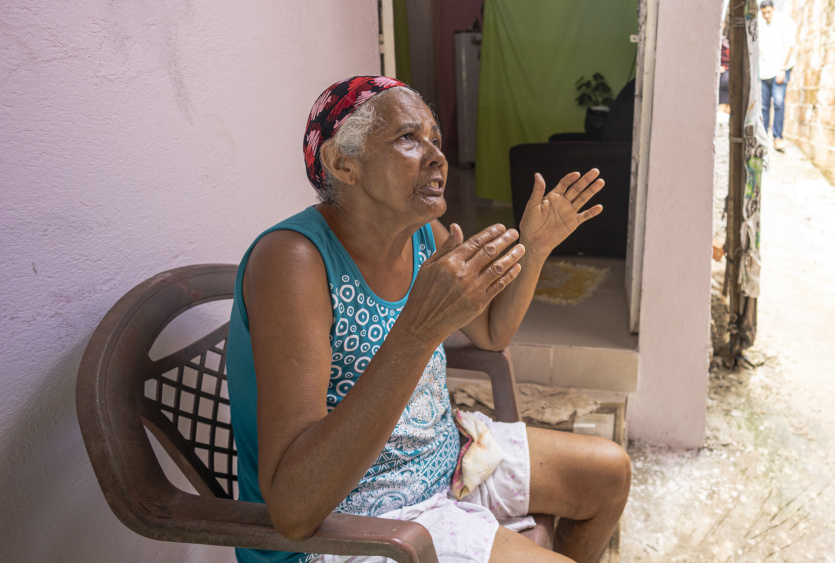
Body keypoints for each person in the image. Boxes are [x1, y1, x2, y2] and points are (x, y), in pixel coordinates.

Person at [226, 76, 631, 563]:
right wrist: (419, 330)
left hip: (440, 460)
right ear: (342, 163)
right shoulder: (294, 261)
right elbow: (293, 510)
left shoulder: (421, 234)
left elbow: (492, 332)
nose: (437, 155)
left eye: (434, 139)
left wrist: (536, 247)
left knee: (610, 472)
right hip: (353, 522)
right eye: (407, 138)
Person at [758, 0, 797, 151]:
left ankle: (778, 137)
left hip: (780, 70)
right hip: (765, 71)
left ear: (773, 9)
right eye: (763, 13)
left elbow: (789, 46)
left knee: (779, 103)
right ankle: (763, 137)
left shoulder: (784, 22)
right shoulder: (761, 24)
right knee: (763, 106)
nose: (766, 16)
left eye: (768, 12)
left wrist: (782, 69)